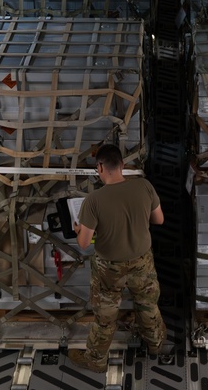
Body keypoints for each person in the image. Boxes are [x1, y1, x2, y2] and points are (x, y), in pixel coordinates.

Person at [69, 144, 166, 373]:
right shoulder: (144, 186)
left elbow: (84, 244)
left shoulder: (93, 200)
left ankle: (96, 360)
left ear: (99, 167)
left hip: (109, 269)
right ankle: (155, 346)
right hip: (142, 261)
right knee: (147, 305)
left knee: (106, 314)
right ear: (122, 165)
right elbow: (159, 220)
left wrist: (78, 229)